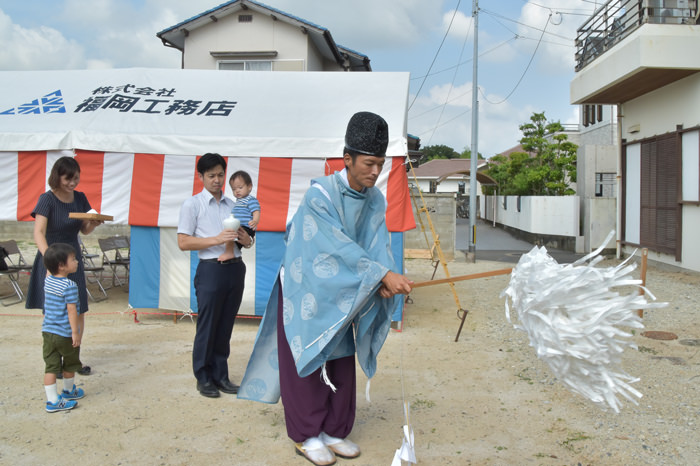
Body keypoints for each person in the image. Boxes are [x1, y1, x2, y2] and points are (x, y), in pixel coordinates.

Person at [238, 112, 413, 466]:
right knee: (308, 357)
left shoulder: (376, 200)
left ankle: (334, 430)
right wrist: (379, 274)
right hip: (306, 288)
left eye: (380, 164)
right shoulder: (321, 195)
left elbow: (377, 244)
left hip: (346, 290)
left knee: (341, 357)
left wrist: (384, 277)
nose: (375, 172)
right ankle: (305, 434)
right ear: (347, 159)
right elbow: (333, 247)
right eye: (368, 163)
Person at [177, 153, 253, 398]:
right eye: (211, 176)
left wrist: (246, 240)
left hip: (235, 267)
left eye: (221, 175)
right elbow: (183, 242)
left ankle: (221, 375)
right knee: (208, 325)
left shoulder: (235, 205)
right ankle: (203, 377)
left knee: (225, 325)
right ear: (200, 176)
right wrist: (216, 239)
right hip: (210, 268)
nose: (217, 180)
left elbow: (248, 240)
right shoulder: (192, 205)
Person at [26, 156, 103, 376]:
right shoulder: (47, 199)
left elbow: (84, 229)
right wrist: (49, 259)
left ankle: (73, 361)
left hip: (72, 260)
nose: (72, 183)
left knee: (78, 309)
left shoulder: (80, 198)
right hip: (51, 258)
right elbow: (38, 232)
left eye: (76, 178)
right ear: (57, 177)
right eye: (68, 179)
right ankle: (55, 362)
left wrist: (93, 223)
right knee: (54, 311)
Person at [41, 243, 87, 413]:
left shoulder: (48, 281)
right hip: (64, 334)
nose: (76, 262)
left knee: (51, 367)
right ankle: (68, 391)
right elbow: (72, 310)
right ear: (61, 265)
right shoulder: (69, 286)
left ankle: (52, 400)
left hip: (48, 332)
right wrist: (75, 332)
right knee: (70, 363)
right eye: (73, 259)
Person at [218, 170, 261, 262]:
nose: (237, 191)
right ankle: (230, 253)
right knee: (232, 238)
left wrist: (255, 221)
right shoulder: (238, 201)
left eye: (240, 187)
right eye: (234, 189)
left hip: (246, 227)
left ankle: (229, 253)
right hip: (240, 226)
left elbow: (256, 211)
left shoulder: (250, 199)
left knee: (231, 236)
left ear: (249, 187)